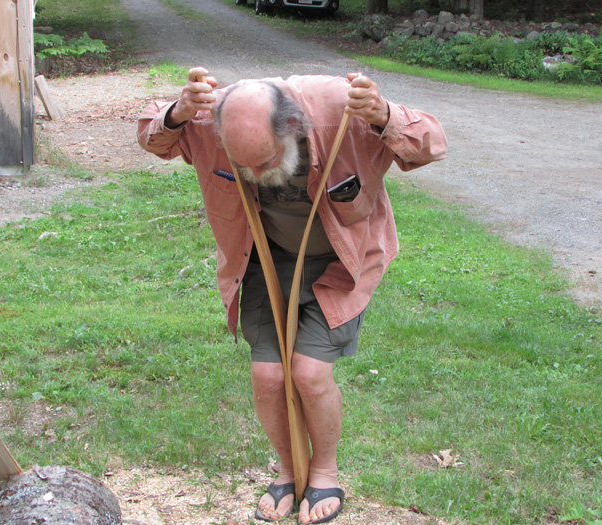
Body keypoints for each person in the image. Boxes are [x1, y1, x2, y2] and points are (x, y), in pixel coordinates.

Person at [137, 67, 447, 524]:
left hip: (341, 261)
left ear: (293, 128)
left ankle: (324, 470)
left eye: (265, 161)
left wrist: (384, 115)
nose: (257, 175)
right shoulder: (208, 115)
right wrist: (177, 113)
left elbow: (431, 143)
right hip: (263, 257)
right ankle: (286, 470)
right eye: (245, 166)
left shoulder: (342, 108)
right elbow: (152, 138)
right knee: (267, 376)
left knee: (309, 373)